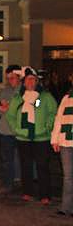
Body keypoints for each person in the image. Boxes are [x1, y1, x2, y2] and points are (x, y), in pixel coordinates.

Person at [7, 67, 57, 204]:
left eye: (33, 80)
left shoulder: (45, 97)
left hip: (41, 138)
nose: (30, 82)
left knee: (42, 167)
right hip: (23, 138)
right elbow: (10, 115)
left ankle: (45, 195)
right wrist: (16, 129)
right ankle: (27, 192)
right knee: (26, 166)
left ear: (36, 82)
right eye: (28, 79)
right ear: (23, 82)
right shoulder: (18, 98)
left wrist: (47, 127)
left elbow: (53, 113)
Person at [0, 65, 23, 194]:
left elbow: (34, 107)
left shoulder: (25, 91)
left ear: (19, 77)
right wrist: (1, 109)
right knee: (7, 160)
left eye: (12, 77)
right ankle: (8, 184)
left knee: (23, 158)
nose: (10, 80)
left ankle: (22, 182)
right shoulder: (4, 92)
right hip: (6, 131)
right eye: (8, 78)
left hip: (21, 131)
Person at [51, 83, 73, 216]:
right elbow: (59, 118)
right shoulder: (66, 98)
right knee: (68, 177)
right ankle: (65, 207)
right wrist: (55, 139)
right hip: (65, 141)